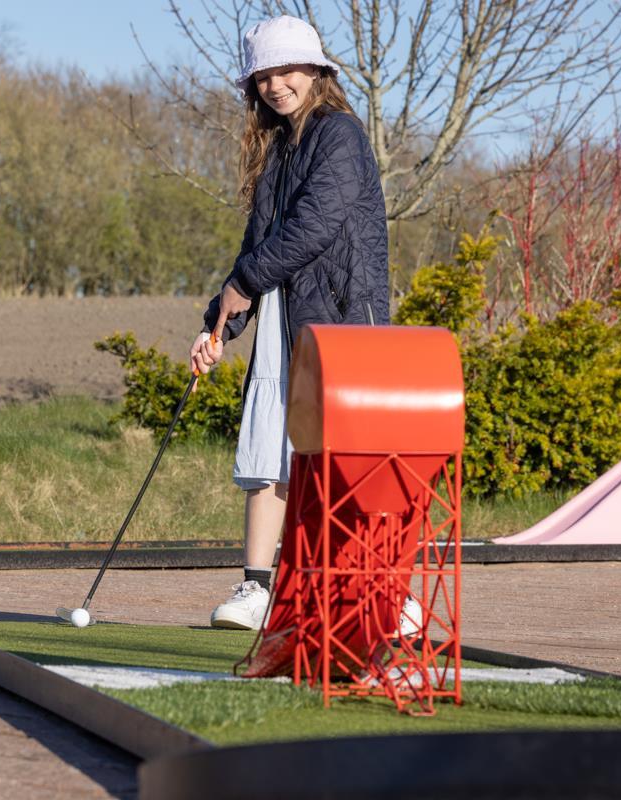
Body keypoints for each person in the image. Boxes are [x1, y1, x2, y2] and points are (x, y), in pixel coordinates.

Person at [190, 15, 389, 630]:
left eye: (286, 71)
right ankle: (257, 590)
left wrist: (245, 283)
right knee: (267, 450)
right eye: (264, 77)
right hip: (281, 316)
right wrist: (218, 326)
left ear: (316, 71)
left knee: (342, 465)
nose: (276, 85)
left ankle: (382, 594)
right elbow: (258, 246)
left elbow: (315, 227)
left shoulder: (340, 135)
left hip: (339, 322)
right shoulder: (277, 147)